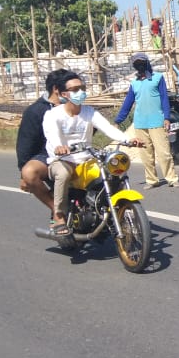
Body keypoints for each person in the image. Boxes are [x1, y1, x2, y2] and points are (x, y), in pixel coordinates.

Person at [43, 73, 140, 236]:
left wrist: (128, 140)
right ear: (64, 94)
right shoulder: (53, 115)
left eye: (82, 88)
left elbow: (108, 128)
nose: (80, 92)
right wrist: (59, 147)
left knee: (113, 171)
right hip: (61, 160)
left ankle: (116, 210)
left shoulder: (89, 112)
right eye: (75, 89)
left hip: (86, 159)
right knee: (63, 173)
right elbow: (51, 134)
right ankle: (58, 216)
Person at [114, 52, 179, 189]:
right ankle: (152, 180)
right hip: (140, 123)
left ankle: (172, 178)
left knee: (164, 153)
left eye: (141, 62)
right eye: (136, 63)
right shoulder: (134, 83)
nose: (138, 65)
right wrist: (118, 121)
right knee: (146, 154)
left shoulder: (158, 78)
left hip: (157, 122)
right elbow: (127, 104)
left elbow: (164, 98)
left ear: (146, 63)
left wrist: (167, 117)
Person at [16, 68, 72, 217]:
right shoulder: (36, 111)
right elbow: (25, 143)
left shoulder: (76, 107)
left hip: (78, 153)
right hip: (47, 156)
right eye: (71, 88)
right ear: (56, 89)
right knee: (30, 172)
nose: (77, 92)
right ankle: (56, 211)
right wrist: (23, 175)